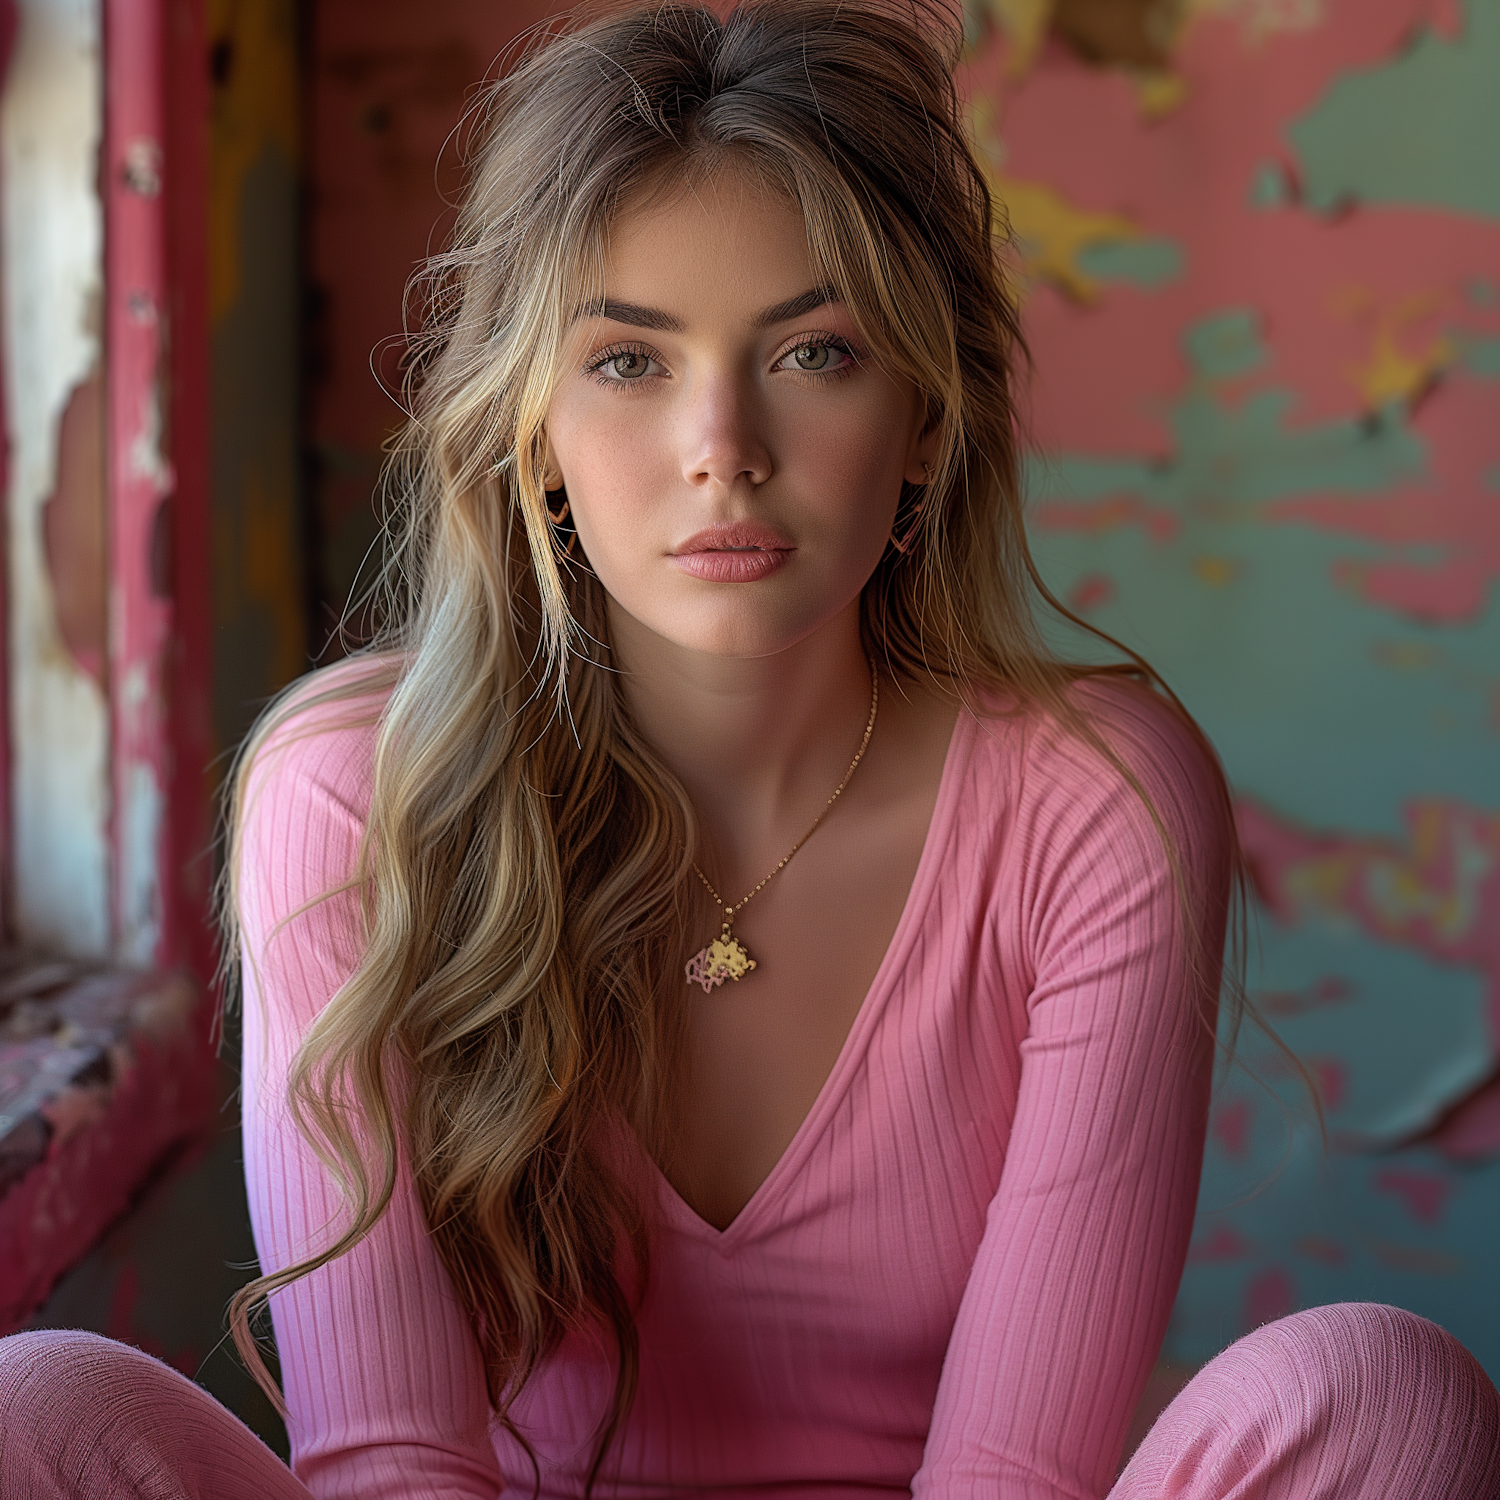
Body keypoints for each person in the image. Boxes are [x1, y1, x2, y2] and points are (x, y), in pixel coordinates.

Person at [3, 4, 1497, 1497]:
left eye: (814, 350)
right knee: (38, 1411)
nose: (724, 443)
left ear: (925, 414)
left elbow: (1014, 1479)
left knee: (1378, 1397)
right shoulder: (349, 794)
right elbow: (389, 1465)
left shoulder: (1094, 800)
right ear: (532, 430)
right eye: (631, 364)